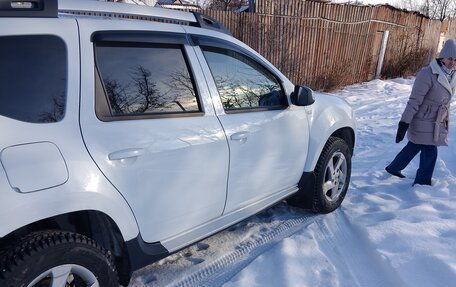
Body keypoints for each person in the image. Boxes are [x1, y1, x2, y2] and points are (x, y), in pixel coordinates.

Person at [385, 39, 456, 185]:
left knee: (415, 145)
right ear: (442, 57)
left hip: (437, 122)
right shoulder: (427, 74)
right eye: (450, 58)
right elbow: (414, 101)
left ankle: (394, 168)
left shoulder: (452, 76)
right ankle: (422, 185)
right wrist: (404, 123)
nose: (452, 62)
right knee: (430, 152)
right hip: (422, 120)